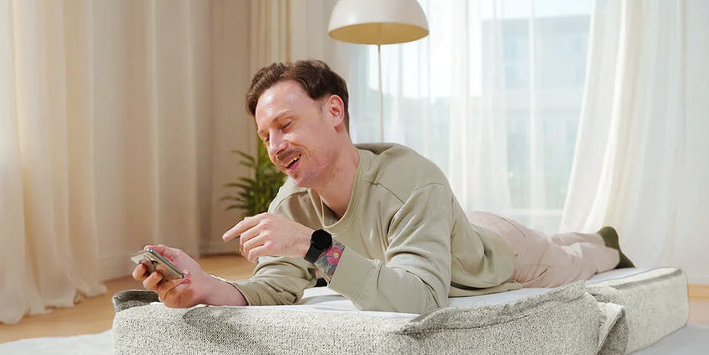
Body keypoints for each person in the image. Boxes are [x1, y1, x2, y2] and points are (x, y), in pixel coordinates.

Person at [133, 59, 634, 314]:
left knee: (574, 260)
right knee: (553, 242)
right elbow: (275, 287)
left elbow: (421, 298)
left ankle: (603, 239)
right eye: (266, 136)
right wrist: (205, 286)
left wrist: (314, 246)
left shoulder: (411, 181)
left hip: (501, 252)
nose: (275, 146)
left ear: (334, 111)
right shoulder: (292, 201)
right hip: (442, 228)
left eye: (285, 125)